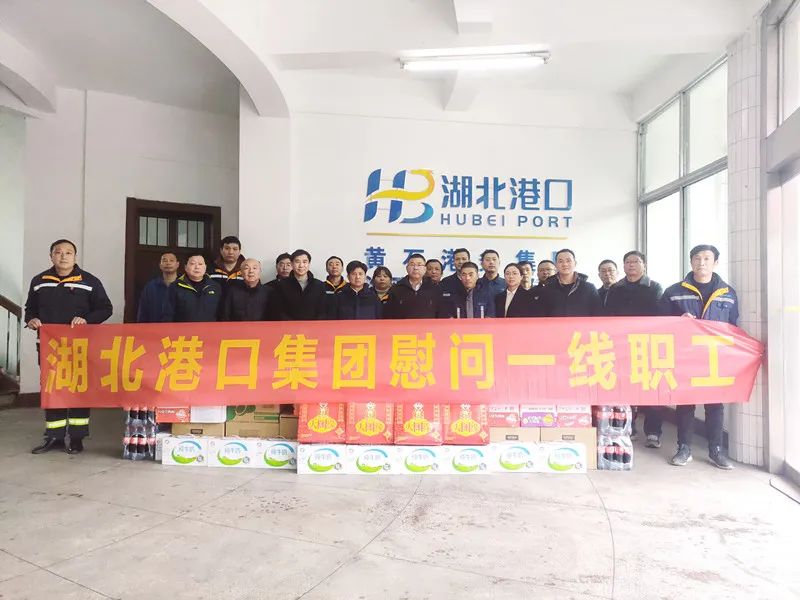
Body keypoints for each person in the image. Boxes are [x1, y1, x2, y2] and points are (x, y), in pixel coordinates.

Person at [25, 239, 113, 454]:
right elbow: (30, 308)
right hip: (49, 347)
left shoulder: (89, 281)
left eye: (68, 252)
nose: (63, 256)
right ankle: (54, 437)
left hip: (80, 347)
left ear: (75, 257)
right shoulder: (39, 281)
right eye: (58, 252)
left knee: (78, 389)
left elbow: (105, 308)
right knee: (53, 389)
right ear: (51, 256)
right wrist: (31, 320)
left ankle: (77, 438)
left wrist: (86, 320)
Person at [661, 244, 738, 470]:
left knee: (715, 404)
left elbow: (733, 325)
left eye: (706, 258)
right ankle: (684, 448)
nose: (701, 262)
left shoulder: (728, 293)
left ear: (716, 262)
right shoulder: (674, 291)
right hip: (685, 356)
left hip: (715, 358)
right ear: (691, 262)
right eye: (697, 258)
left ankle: (716, 451)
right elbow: (659, 323)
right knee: (685, 402)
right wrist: (679, 321)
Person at [604, 251, 664, 447]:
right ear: (623, 266)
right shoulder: (615, 289)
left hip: (647, 345)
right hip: (621, 345)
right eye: (628, 262)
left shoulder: (654, 287)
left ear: (644, 265)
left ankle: (653, 432)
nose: (631, 265)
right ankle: (629, 426)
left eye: (636, 261)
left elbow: (659, 316)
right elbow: (608, 316)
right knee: (624, 387)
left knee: (651, 388)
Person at [271, 249, 328, 320]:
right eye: (297, 262)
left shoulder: (319, 285)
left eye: (305, 262)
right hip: (288, 326)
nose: (301, 265)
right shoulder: (281, 285)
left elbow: (323, 310)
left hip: (314, 326)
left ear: (309, 264)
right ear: (292, 264)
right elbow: (279, 311)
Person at [382, 254, 445, 319]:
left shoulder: (434, 288)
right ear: (407, 268)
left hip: (428, 325)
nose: (415, 268)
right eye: (412, 265)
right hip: (403, 325)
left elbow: (441, 313)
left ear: (425, 269)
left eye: (419, 265)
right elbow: (389, 314)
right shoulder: (396, 289)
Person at [163, 255, 221, 322]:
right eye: (192, 264)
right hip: (182, 328)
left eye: (200, 264)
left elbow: (220, 313)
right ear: (185, 267)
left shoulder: (215, 287)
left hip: (209, 328)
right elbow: (168, 314)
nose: (197, 267)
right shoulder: (175, 287)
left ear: (205, 267)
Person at [544, 249, 601, 316]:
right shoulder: (547, 289)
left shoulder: (589, 288)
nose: (565, 264)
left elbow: (597, 314)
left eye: (568, 261)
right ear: (556, 265)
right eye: (560, 261)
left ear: (575, 263)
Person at [136, 251, 179, 323]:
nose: (168, 263)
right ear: (160, 265)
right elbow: (143, 311)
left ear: (177, 264)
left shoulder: (184, 286)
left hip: (179, 329)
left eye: (171, 260)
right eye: (164, 260)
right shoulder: (150, 287)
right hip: (154, 327)